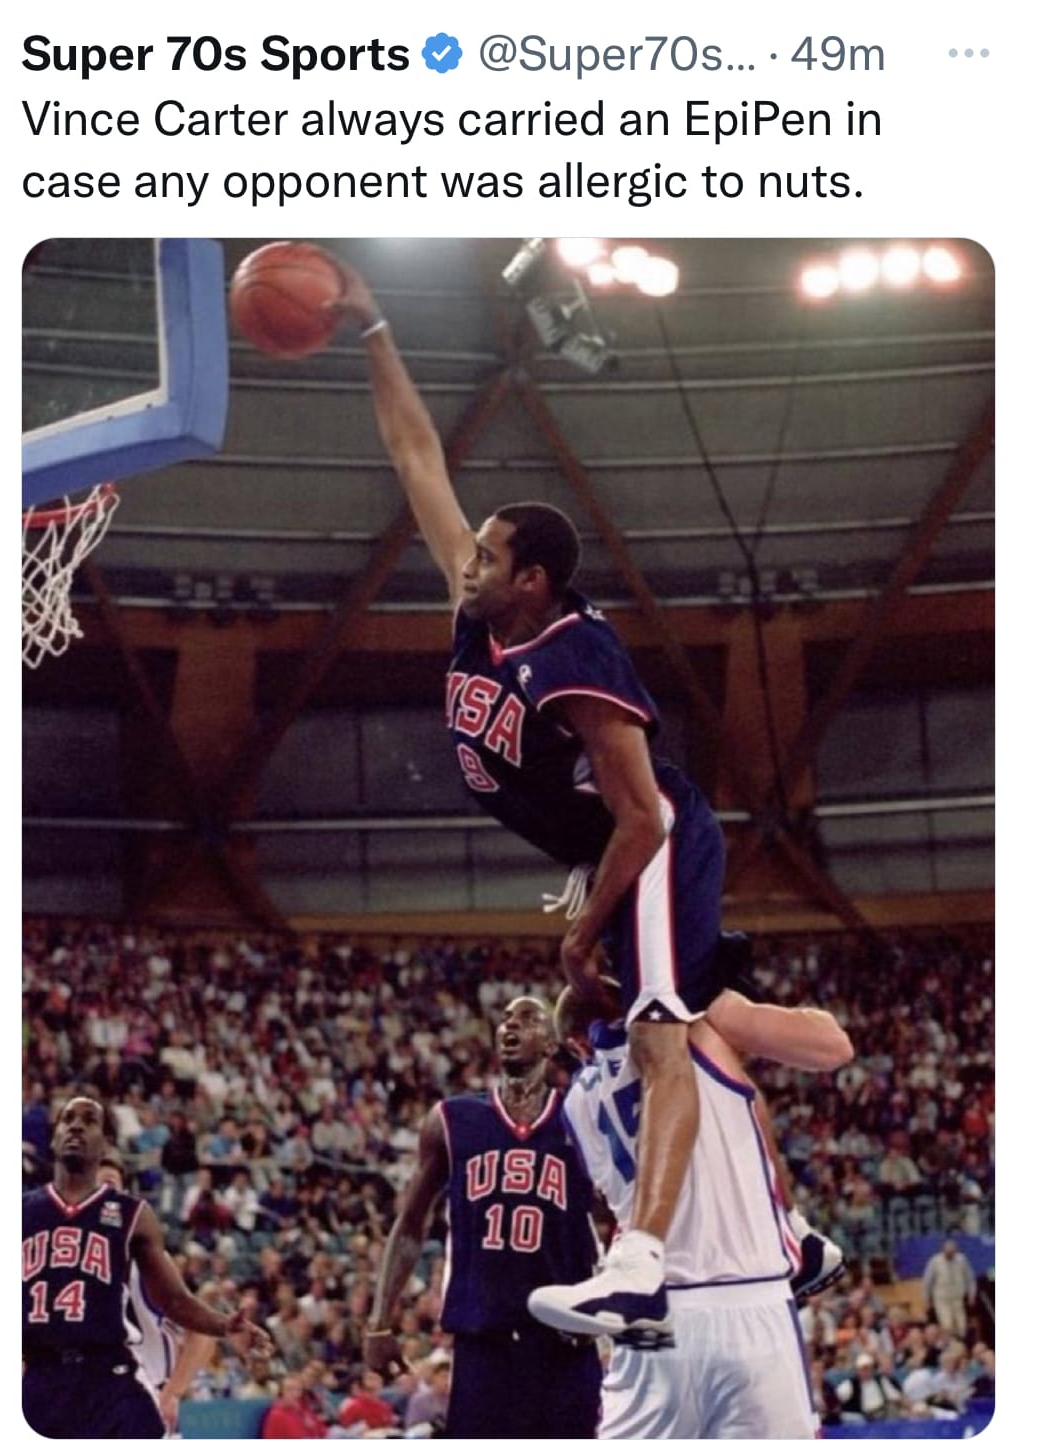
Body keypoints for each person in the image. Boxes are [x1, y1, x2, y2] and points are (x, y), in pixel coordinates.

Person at [338, 262, 840, 1344]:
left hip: (651, 841)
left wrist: (578, 931)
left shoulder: (575, 655)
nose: (467, 562)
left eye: (487, 556)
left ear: (532, 580)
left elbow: (645, 815)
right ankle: (796, 1237)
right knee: (646, 1031)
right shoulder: (481, 614)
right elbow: (416, 456)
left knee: (658, 1031)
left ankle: (639, 1265)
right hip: (606, 849)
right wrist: (373, 326)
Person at [529, 983, 851, 1437]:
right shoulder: (693, 1034)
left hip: (652, 1310)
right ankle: (798, 1233)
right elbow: (792, 1075)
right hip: (748, 1292)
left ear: (576, 1044)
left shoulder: (576, 1103)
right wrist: (792, 1222)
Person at [363, 996, 601, 1439]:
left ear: (551, 1045)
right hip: (484, 1342)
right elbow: (410, 1224)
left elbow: (622, 1212)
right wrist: (379, 1321)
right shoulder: (451, 1120)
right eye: (506, 1019)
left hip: (564, 1341)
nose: (510, 1025)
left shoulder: (582, 1116)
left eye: (527, 1018)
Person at [23, 1096, 270, 1439]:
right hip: (41, 1375)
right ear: (53, 1138)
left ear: (105, 1143)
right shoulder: (22, 1212)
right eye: (68, 1119)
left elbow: (176, 1301)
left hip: (110, 1376)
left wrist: (224, 1326)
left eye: (89, 1120)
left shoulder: (133, 1217)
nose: (76, 1126)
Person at [96, 1151, 218, 1435]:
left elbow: (202, 1334)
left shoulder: (146, 1262)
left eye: (109, 1185)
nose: (101, 1195)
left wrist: (172, 1393)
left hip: (144, 1399)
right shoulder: (64, 1265)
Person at [922, 1238, 976, 1341]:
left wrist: (971, 1295)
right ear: (943, 1251)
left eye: (952, 1252)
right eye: (948, 1252)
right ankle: (951, 1344)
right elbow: (927, 1282)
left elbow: (970, 1279)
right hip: (942, 1300)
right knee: (947, 1325)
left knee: (961, 1326)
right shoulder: (935, 1261)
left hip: (957, 1299)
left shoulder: (962, 1260)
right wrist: (927, 1299)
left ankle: (961, 1344)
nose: (950, 1255)